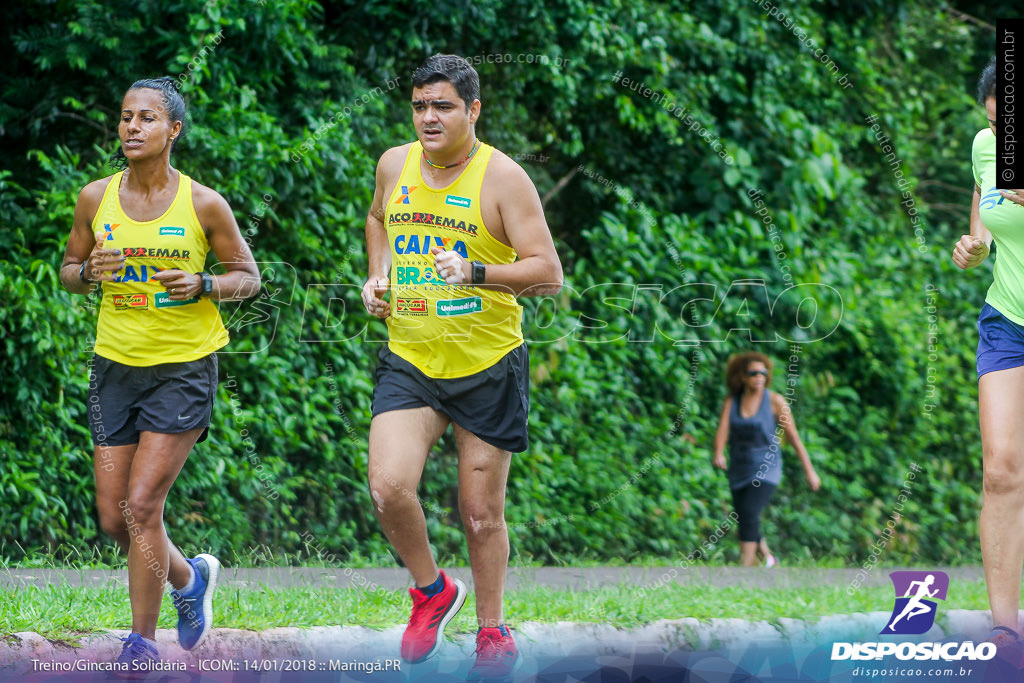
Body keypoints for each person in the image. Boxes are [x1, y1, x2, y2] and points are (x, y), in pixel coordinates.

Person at [361, 54, 562, 680]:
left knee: (479, 515)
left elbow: (548, 274)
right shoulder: (395, 164)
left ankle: (491, 629)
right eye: (420, 105)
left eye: (443, 106)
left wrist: (476, 272)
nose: (428, 117)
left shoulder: (503, 179)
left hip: (487, 362)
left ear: (473, 111)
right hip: (412, 356)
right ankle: (431, 591)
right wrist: (379, 274)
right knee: (388, 487)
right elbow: (377, 219)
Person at [59, 77, 261, 669]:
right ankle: (189, 577)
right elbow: (68, 269)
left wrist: (204, 283)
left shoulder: (203, 204)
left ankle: (141, 645)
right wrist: (88, 272)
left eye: (146, 118)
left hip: (183, 369)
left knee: (142, 507)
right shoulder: (95, 198)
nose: (132, 128)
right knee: (113, 517)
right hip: (114, 366)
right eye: (125, 117)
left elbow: (249, 277)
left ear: (172, 130)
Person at [952, 56, 1024, 655]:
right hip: (1007, 321)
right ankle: (1005, 627)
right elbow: (984, 202)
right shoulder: (986, 145)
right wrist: (974, 243)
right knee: (1001, 469)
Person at [712, 352, 821, 566]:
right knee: (744, 516)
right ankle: (769, 558)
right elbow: (722, 430)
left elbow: (794, 439)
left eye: (763, 373)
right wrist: (718, 452)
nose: (759, 377)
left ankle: (745, 567)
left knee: (749, 512)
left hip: (766, 468)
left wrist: (810, 471)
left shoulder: (775, 402)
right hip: (739, 467)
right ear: (742, 377)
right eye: (753, 373)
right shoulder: (732, 401)